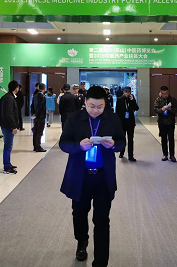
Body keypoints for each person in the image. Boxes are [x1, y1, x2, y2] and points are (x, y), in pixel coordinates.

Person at [59, 86, 126, 267]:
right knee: (79, 214)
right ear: (85, 102)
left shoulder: (112, 119)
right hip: (80, 176)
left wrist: (113, 145)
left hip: (103, 177)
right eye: (92, 106)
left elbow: (122, 142)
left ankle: (101, 261)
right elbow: (63, 143)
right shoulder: (74, 118)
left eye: (100, 106)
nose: (95, 110)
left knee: (102, 219)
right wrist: (79, 147)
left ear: (106, 104)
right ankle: (82, 242)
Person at [0, 80, 20, 174]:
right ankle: (7, 167)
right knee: (8, 147)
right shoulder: (9, 98)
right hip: (8, 126)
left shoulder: (7, 96)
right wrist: (14, 126)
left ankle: (8, 164)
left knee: (8, 146)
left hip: (5, 124)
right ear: (16, 88)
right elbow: (9, 113)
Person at [154, 86, 177, 162]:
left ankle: (172, 155)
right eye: (163, 93)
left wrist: (171, 109)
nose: (165, 95)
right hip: (162, 122)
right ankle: (165, 154)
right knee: (163, 138)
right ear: (160, 93)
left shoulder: (172, 100)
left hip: (171, 122)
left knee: (171, 138)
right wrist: (161, 110)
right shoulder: (158, 100)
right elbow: (155, 109)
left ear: (168, 92)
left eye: (166, 93)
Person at [115, 86, 139, 162]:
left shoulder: (132, 99)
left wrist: (133, 101)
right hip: (122, 122)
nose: (127, 93)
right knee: (123, 138)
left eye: (128, 92)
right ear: (123, 92)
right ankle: (122, 152)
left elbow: (136, 108)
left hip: (130, 122)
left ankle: (130, 155)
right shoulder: (120, 99)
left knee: (130, 139)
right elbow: (117, 111)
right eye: (126, 92)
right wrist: (118, 123)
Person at [32, 83, 46, 152]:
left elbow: (32, 106)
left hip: (35, 117)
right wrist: (37, 114)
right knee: (40, 132)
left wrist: (33, 114)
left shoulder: (35, 96)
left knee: (35, 131)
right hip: (40, 116)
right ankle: (38, 146)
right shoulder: (42, 97)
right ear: (44, 88)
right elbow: (41, 107)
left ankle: (35, 146)